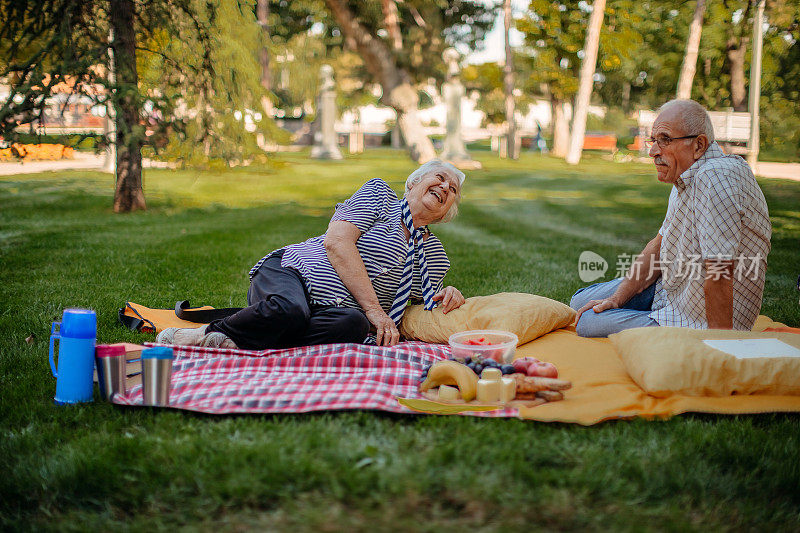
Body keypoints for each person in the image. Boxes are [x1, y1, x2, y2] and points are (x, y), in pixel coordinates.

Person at [157, 159, 468, 349]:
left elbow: (415, 312)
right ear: (414, 182)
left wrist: (443, 296)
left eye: (452, 189)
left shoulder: (434, 256)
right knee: (290, 310)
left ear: (445, 214)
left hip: (330, 313)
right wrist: (374, 310)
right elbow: (337, 243)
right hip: (293, 273)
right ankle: (205, 335)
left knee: (352, 325)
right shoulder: (379, 196)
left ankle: (244, 336)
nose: (444, 186)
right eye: (439, 177)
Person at [570, 99, 772, 337]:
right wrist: (616, 300)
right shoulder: (687, 175)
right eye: (653, 140)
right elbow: (658, 245)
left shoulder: (716, 177)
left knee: (587, 323)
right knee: (579, 302)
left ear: (699, 145)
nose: (653, 151)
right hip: (673, 290)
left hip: (701, 321)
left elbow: (720, 271)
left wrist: (721, 346)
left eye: (665, 140)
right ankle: (634, 305)